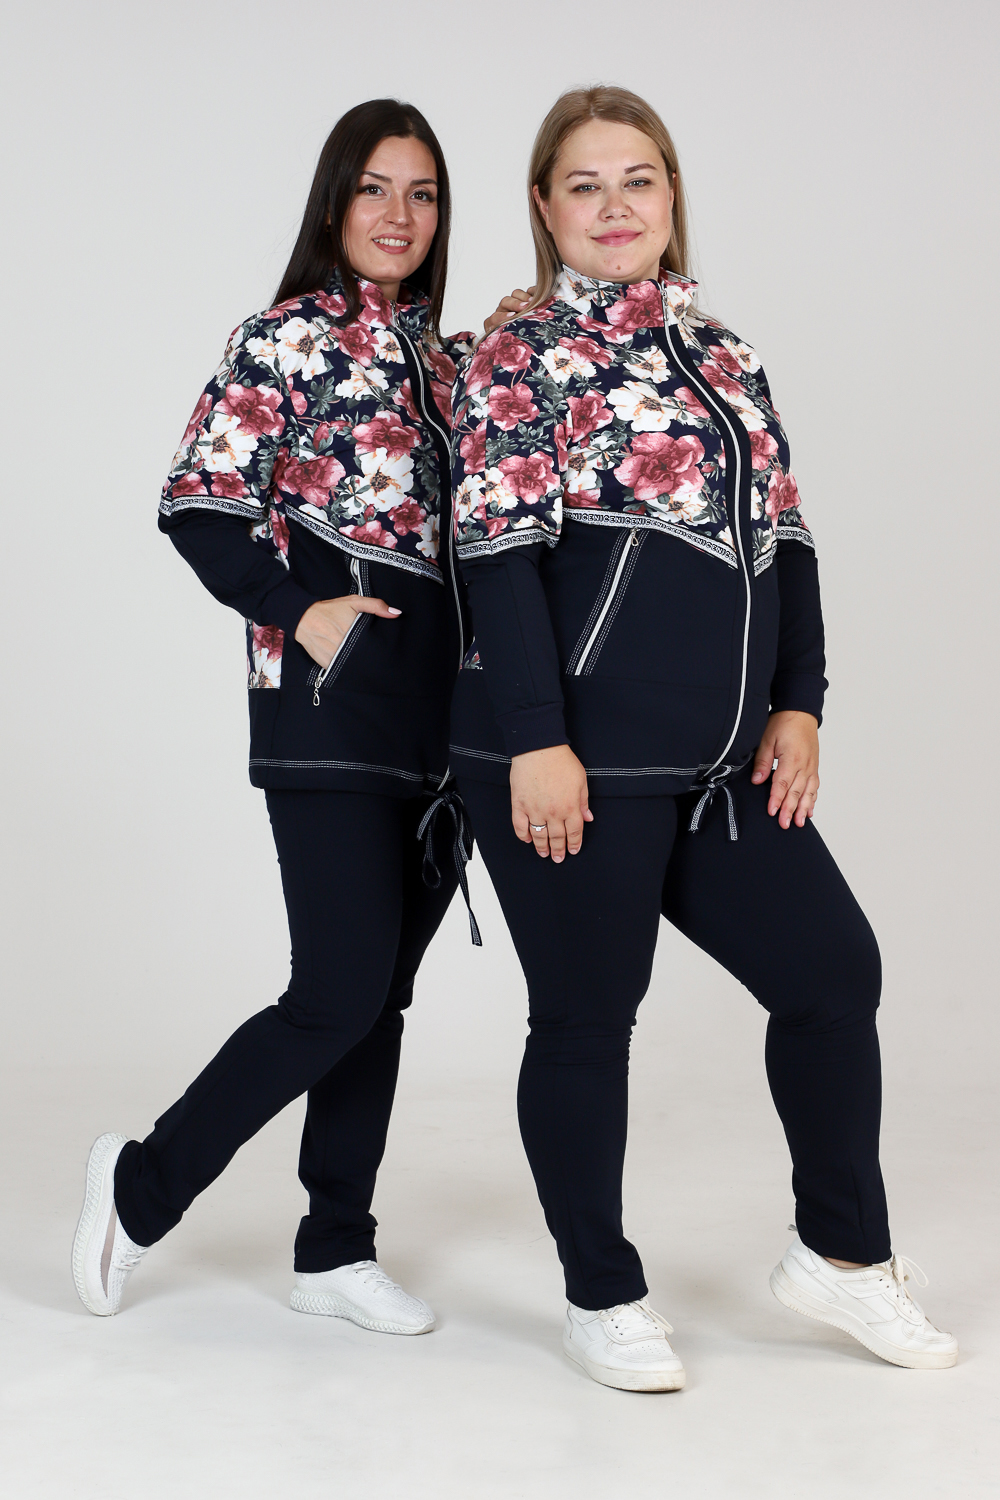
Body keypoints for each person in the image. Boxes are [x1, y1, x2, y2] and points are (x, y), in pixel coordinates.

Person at [451, 85, 957, 1390]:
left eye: (638, 179)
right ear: (545, 207)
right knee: (587, 1018)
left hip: (720, 762)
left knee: (831, 974)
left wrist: (801, 702)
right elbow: (496, 556)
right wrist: (536, 739)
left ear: (671, 195)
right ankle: (601, 1292)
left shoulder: (725, 353)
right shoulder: (521, 356)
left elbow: (787, 539)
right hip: (575, 759)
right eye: (584, 184)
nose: (614, 205)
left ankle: (840, 1257)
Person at [72, 99, 483, 1334]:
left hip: (443, 729)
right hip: (328, 711)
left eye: (421, 193)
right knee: (338, 989)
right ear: (333, 201)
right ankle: (141, 1186)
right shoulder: (283, 339)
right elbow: (196, 503)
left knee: (380, 997)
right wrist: (301, 613)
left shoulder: (451, 364)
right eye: (373, 187)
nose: (398, 214)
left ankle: (334, 1247)